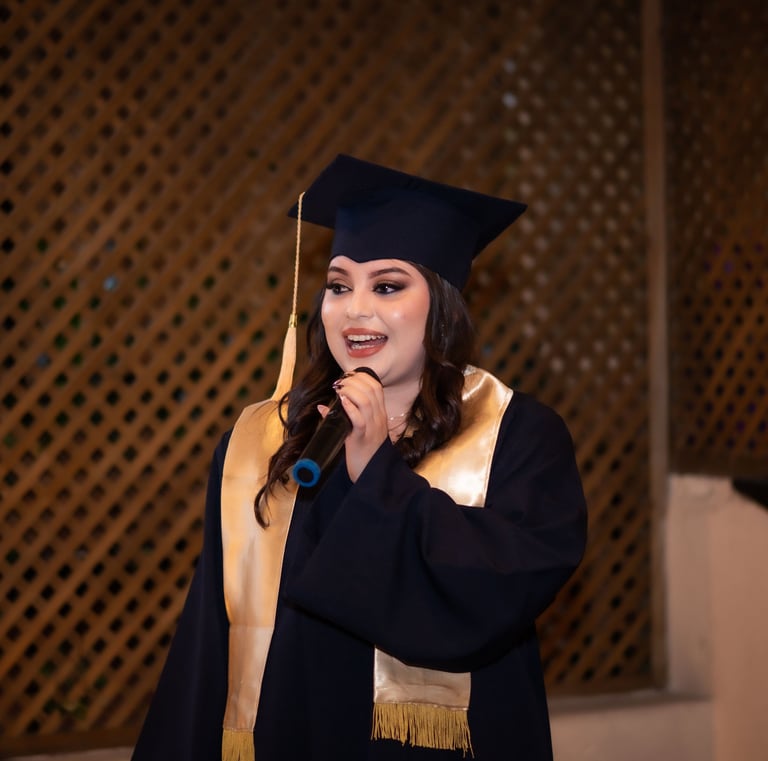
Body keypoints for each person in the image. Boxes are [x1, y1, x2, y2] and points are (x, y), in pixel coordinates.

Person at [131, 155, 587, 761]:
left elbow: (491, 599)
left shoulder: (517, 435)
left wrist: (376, 469)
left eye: (389, 286)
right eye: (339, 285)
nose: (355, 309)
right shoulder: (262, 438)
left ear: (442, 304)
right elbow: (208, 640)